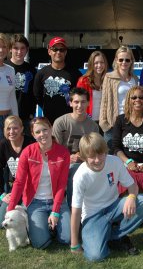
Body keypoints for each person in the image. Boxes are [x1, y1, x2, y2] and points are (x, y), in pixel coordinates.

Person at [70, 132, 143, 262]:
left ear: (106, 151)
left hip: (114, 207)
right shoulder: (80, 176)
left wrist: (131, 197)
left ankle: (111, 235)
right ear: (84, 157)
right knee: (95, 256)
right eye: (92, 156)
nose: (97, 160)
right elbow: (76, 210)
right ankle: (110, 235)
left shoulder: (115, 161)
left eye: (101, 154)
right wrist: (74, 244)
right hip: (92, 216)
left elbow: (132, 185)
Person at [7, 117, 71, 249]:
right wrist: (10, 208)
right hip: (35, 202)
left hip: (56, 200)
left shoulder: (63, 152)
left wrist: (55, 211)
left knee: (67, 238)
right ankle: (45, 226)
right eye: (38, 132)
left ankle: (51, 224)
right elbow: (19, 182)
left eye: (45, 130)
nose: (42, 134)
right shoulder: (27, 152)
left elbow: (61, 185)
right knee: (40, 243)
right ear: (33, 134)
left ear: (51, 129)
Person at [52, 87, 99, 208]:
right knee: (74, 171)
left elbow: (95, 151)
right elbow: (53, 150)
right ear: (70, 103)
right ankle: (72, 210)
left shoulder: (93, 126)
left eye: (83, 102)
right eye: (76, 102)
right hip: (62, 163)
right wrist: (68, 157)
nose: (80, 106)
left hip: (85, 163)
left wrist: (82, 157)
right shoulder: (61, 122)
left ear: (88, 103)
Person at [112, 85, 143, 197]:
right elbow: (116, 147)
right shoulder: (121, 120)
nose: (138, 100)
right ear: (129, 100)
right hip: (125, 165)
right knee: (126, 181)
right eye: (134, 97)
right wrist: (128, 162)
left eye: (141, 97)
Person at [33, 37, 81, 124]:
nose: (58, 52)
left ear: (65, 52)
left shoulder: (75, 74)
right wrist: (47, 106)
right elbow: (36, 95)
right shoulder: (41, 73)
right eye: (55, 49)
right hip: (48, 121)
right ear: (49, 51)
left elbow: (79, 96)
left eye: (62, 50)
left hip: (70, 121)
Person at [100, 46, 138, 153]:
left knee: (128, 158)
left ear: (131, 61)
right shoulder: (109, 77)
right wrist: (105, 125)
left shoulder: (135, 79)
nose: (124, 62)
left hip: (130, 124)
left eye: (127, 60)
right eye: (121, 59)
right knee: (111, 159)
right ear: (116, 60)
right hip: (113, 125)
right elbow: (104, 101)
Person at [0, 115, 35, 224]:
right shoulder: (3, 144)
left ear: (22, 129)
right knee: (2, 220)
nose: (12, 131)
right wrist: (2, 194)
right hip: (13, 188)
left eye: (15, 128)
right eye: (8, 128)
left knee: (28, 219)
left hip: (30, 188)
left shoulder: (31, 143)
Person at [5, 34, 36, 136]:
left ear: (27, 50)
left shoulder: (31, 69)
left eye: (22, 48)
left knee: (24, 148)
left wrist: (31, 113)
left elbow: (34, 93)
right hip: (5, 116)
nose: (19, 51)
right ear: (10, 49)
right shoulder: (4, 67)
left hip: (25, 117)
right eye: (16, 48)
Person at [77, 50, 108, 127]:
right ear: (91, 64)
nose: (99, 65)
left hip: (105, 123)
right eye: (96, 63)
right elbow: (78, 102)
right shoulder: (83, 81)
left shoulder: (108, 80)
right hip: (88, 122)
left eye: (102, 62)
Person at [0, 33, 18, 140]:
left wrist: (16, 119)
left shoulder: (10, 70)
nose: (1, 50)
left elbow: (12, 97)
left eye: (4, 47)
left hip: (7, 120)